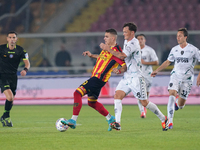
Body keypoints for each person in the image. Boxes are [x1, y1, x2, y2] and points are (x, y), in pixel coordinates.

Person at [100, 22, 168, 131]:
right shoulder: (126, 41)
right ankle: (117, 123)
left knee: (144, 102)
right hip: (127, 77)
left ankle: (163, 118)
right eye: (123, 32)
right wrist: (120, 69)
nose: (124, 34)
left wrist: (107, 48)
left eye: (126, 32)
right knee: (117, 95)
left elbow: (122, 55)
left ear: (132, 32)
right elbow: (126, 62)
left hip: (137, 77)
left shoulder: (134, 43)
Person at [61, 29, 126, 131]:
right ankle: (110, 119)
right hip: (96, 78)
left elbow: (124, 62)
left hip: (98, 78)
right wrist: (92, 55)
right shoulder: (107, 49)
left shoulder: (116, 51)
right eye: (104, 36)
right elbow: (102, 58)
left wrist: (119, 70)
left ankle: (73, 120)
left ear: (113, 38)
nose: (104, 38)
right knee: (92, 102)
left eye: (106, 36)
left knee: (77, 93)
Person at [151, 28, 200, 129]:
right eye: (177, 36)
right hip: (175, 75)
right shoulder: (174, 49)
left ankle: (178, 103)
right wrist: (157, 70)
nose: (178, 38)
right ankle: (170, 121)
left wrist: (199, 76)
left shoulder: (193, 50)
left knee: (181, 105)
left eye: (180, 36)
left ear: (185, 37)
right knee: (172, 94)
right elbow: (168, 62)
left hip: (187, 78)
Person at [0, 31, 30, 127]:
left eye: (14, 38)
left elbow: (27, 63)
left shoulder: (21, 50)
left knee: (11, 100)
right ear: (7, 39)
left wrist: (25, 70)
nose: (12, 39)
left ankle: (5, 116)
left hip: (13, 77)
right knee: (10, 97)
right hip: (2, 76)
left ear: (16, 39)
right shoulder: (1, 49)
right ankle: (6, 116)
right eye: (10, 37)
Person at [136, 34, 159, 118]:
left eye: (141, 39)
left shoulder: (149, 50)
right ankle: (142, 112)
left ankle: (144, 107)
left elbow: (156, 62)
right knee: (139, 93)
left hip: (148, 75)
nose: (140, 40)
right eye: (138, 39)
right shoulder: (134, 50)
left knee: (146, 94)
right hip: (137, 75)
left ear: (144, 40)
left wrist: (145, 63)